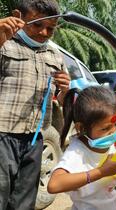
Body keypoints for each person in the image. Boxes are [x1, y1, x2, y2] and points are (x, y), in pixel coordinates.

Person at [0, 0, 70, 209]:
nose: (44, 32)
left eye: (51, 28)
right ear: (17, 16)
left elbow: (64, 99)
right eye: (37, 24)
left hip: (35, 139)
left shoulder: (54, 55)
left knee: (24, 201)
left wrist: (65, 89)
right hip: (3, 136)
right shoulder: (5, 44)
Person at [47, 86, 116, 210]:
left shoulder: (109, 139)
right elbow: (53, 185)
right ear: (81, 128)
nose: (113, 132)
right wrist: (102, 171)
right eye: (105, 129)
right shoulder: (77, 152)